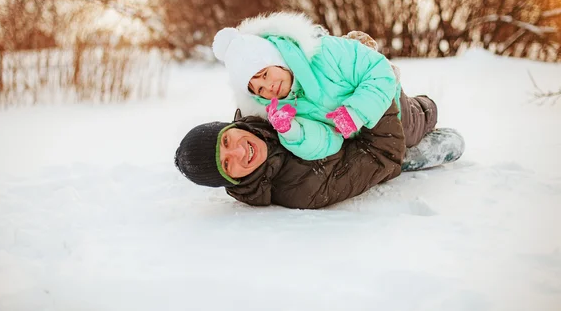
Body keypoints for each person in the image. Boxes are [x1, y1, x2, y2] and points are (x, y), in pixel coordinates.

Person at [211, 12, 437, 161]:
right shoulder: (282, 110)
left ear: (278, 59)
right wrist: (292, 132)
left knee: (415, 124)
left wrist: (354, 113)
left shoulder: (325, 52)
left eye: (264, 74)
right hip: (357, 138)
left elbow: (380, 73)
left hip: (389, 106)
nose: (268, 87)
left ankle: (426, 107)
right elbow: (327, 141)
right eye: (258, 89)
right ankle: (360, 50)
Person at [174, 102, 465, 210]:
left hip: (352, 109)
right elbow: (381, 155)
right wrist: (375, 96)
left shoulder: (263, 111)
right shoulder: (299, 190)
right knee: (441, 136)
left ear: (233, 126)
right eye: (227, 164)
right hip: (380, 133)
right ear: (230, 180)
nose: (239, 151)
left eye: (227, 140)